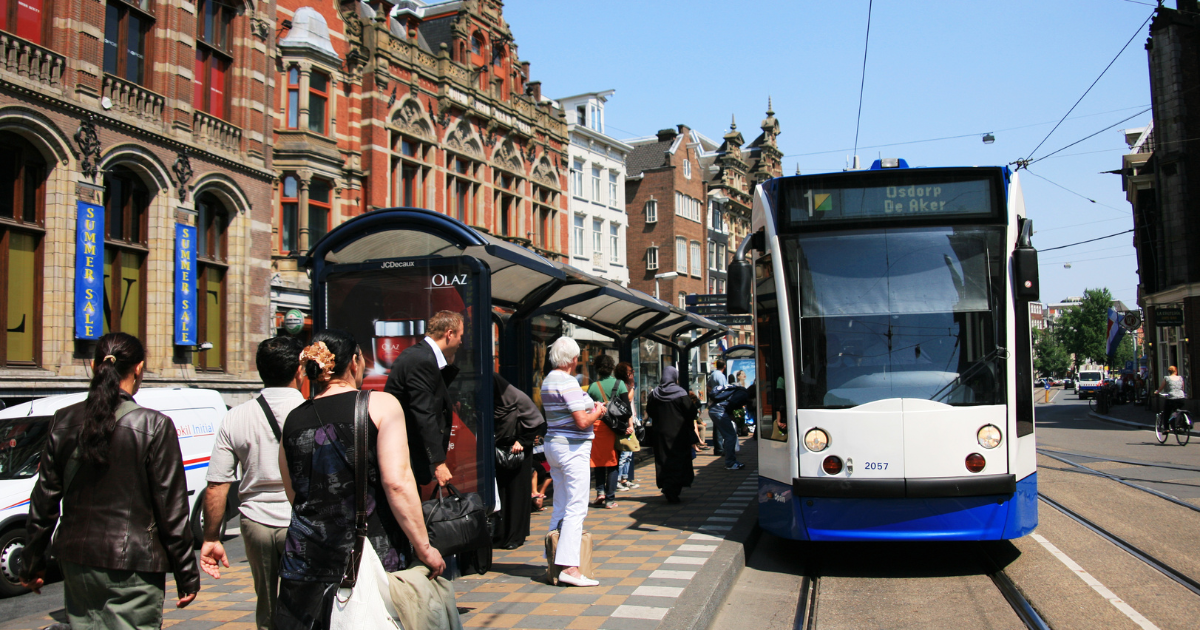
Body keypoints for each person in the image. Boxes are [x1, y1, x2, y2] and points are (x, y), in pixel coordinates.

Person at [20, 333, 200, 628]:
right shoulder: (154, 425)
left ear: (94, 366)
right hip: (134, 564)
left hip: (76, 558)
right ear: (139, 368)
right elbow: (172, 511)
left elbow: (44, 500)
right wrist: (186, 574)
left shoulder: (63, 420)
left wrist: (31, 562)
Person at [276, 330, 446, 629]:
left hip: (306, 556)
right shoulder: (380, 405)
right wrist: (425, 548)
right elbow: (398, 483)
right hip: (369, 550)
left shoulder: (293, 418)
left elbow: (294, 490)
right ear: (354, 363)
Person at [201, 336, 307, 630]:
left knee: (267, 604)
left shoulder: (235, 417)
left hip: (255, 522)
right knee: (303, 602)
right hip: (300, 520)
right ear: (300, 369)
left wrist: (211, 537)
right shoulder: (313, 412)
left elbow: (217, 485)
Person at [541, 336, 608, 587]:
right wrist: (598, 412)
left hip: (554, 446)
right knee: (576, 506)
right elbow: (581, 421)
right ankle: (570, 567)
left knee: (560, 503)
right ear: (572, 359)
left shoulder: (548, 380)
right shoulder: (568, 382)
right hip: (572, 449)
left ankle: (552, 560)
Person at [385, 310, 464, 488]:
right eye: (460, 335)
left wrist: (448, 365)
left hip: (408, 450)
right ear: (449, 334)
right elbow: (424, 412)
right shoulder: (422, 360)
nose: (461, 341)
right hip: (408, 452)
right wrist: (439, 462)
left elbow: (433, 395)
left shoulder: (423, 355)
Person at [493, 372, 546, 549]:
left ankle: (515, 536)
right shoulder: (496, 401)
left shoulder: (516, 398)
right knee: (502, 494)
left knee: (517, 495)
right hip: (500, 451)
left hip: (518, 454)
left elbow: (538, 423)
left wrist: (522, 441)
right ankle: (501, 534)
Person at [646, 367, 700, 504]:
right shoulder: (680, 393)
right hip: (678, 435)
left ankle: (667, 486)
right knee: (679, 461)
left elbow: (650, 411)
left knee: (663, 461)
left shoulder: (654, 394)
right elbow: (691, 411)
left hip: (660, 435)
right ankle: (674, 489)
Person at [587, 354, 627, 508]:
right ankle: (610, 499)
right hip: (614, 428)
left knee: (598, 461)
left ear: (597, 368)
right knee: (613, 462)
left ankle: (600, 492)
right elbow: (626, 409)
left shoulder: (593, 387)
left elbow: (588, 408)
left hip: (597, 427)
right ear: (611, 368)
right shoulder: (620, 384)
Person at [708, 359, 745, 470]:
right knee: (729, 435)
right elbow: (725, 390)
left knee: (719, 430)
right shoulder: (721, 376)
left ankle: (718, 448)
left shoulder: (713, 374)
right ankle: (729, 461)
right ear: (724, 366)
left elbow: (709, 387)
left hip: (714, 406)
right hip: (721, 407)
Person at [614, 362, 641, 490]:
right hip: (626, 422)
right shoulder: (623, 385)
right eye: (631, 371)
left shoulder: (626, 384)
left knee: (629, 452)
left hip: (630, 420)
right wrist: (632, 387)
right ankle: (619, 479)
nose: (633, 373)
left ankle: (624, 477)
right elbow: (629, 400)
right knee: (625, 453)